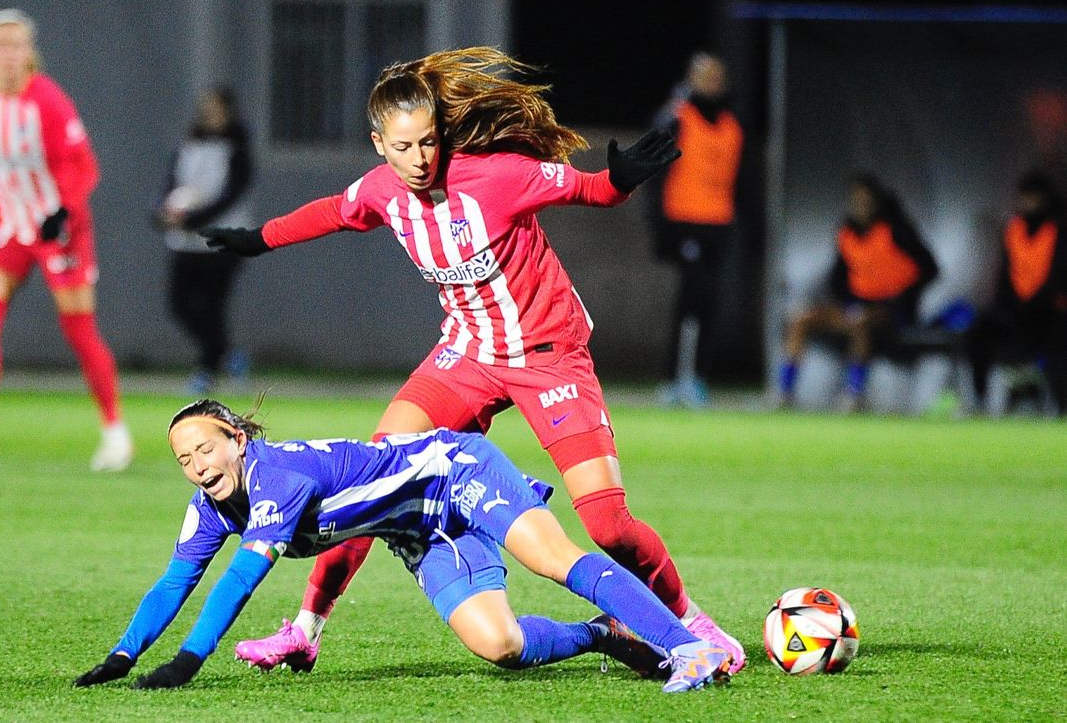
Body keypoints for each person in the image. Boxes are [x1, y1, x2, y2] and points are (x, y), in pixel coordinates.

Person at [200, 46, 746, 673]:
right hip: (467, 353)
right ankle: (304, 629)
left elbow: (592, 190)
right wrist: (256, 240)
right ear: (379, 143)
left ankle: (686, 619)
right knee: (372, 473)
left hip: (549, 356)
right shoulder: (384, 191)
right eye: (403, 147)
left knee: (607, 525)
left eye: (429, 142)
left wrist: (619, 179)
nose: (418, 158)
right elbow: (332, 212)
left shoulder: (496, 175)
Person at [71, 399, 733, 693]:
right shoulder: (211, 504)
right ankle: (606, 634)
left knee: (555, 558)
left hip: (456, 471)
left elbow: (240, 579)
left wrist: (190, 658)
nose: (198, 465)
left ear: (238, 439)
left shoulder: (276, 477)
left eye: (206, 448)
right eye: (185, 459)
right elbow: (173, 582)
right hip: (418, 530)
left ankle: (688, 646)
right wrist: (123, 653)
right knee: (499, 646)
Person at [0, 9, 132, 471]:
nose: (9, 54)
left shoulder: (49, 101)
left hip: (59, 224)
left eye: (18, 45)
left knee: (78, 328)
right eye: (2, 45)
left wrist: (64, 213)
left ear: (29, 52)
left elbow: (85, 167)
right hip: (5, 225)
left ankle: (115, 433)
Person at [778, 173, 938, 412]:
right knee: (799, 319)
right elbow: (838, 277)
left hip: (889, 312)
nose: (860, 207)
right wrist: (846, 301)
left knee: (860, 322)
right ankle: (784, 393)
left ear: (876, 202)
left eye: (866, 201)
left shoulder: (896, 230)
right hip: (854, 307)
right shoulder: (847, 233)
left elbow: (929, 268)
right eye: (856, 201)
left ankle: (853, 395)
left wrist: (902, 295)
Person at [648, 52, 744, 409]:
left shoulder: (732, 124)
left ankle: (697, 378)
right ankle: (675, 379)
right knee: (691, 297)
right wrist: (662, 229)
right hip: (684, 221)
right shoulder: (677, 118)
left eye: (718, 78)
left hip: (718, 224)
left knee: (709, 301)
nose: (713, 85)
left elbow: (741, 180)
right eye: (706, 78)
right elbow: (656, 174)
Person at [154, 87, 253, 394]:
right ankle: (227, 355)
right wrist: (164, 213)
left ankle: (207, 369)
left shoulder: (237, 150)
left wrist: (195, 219)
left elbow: (230, 195)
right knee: (180, 304)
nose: (209, 115)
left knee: (213, 307)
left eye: (216, 109)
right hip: (186, 242)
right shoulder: (189, 144)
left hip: (223, 240)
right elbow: (173, 184)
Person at [965, 171, 1067, 415]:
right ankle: (978, 401)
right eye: (1024, 198)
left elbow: (1059, 275)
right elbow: (1005, 274)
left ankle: (1060, 404)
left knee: (1058, 344)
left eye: (1034, 198)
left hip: (1052, 309)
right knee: (977, 332)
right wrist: (1006, 305)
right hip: (1018, 309)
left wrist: (1032, 304)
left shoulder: (1059, 228)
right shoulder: (1014, 229)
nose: (1028, 204)